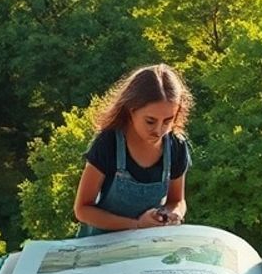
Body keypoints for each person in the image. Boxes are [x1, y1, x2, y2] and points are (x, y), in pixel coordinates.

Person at [73, 64, 193, 236]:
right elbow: (83, 209)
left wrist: (172, 214)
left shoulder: (176, 146)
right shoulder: (108, 143)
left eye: (168, 121)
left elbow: (177, 200)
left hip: (147, 245)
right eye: (150, 121)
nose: (159, 130)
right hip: (100, 244)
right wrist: (136, 224)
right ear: (131, 110)